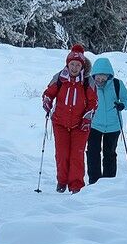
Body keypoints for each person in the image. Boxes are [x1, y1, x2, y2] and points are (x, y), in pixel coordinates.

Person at [42, 43, 97, 192]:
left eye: (77, 65)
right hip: (60, 122)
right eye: (72, 64)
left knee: (77, 155)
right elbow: (49, 93)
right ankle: (62, 182)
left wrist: (87, 117)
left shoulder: (87, 81)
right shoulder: (60, 78)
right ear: (68, 64)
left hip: (81, 125)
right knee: (62, 154)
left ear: (82, 66)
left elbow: (93, 102)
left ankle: (76, 185)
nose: (74, 68)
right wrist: (47, 101)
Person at [86, 56, 127, 184]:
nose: (101, 79)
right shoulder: (89, 85)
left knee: (110, 154)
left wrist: (122, 105)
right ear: (94, 74)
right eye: (98, 76)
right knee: (93, 153)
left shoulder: (117, 84)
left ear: (109, 76)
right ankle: (94, 181)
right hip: (94, 125)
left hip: (114, 126)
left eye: (104, 77)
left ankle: (109, 182)